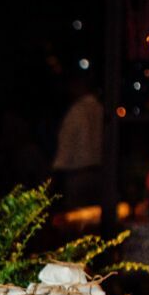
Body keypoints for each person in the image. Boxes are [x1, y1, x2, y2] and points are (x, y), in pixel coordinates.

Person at [52, 71, 104, 210]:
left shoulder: (77, 111)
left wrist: (56, 171)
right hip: (98, 173)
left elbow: (67, 143)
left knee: (77, 220)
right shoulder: (100, 109)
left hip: (78, 175)